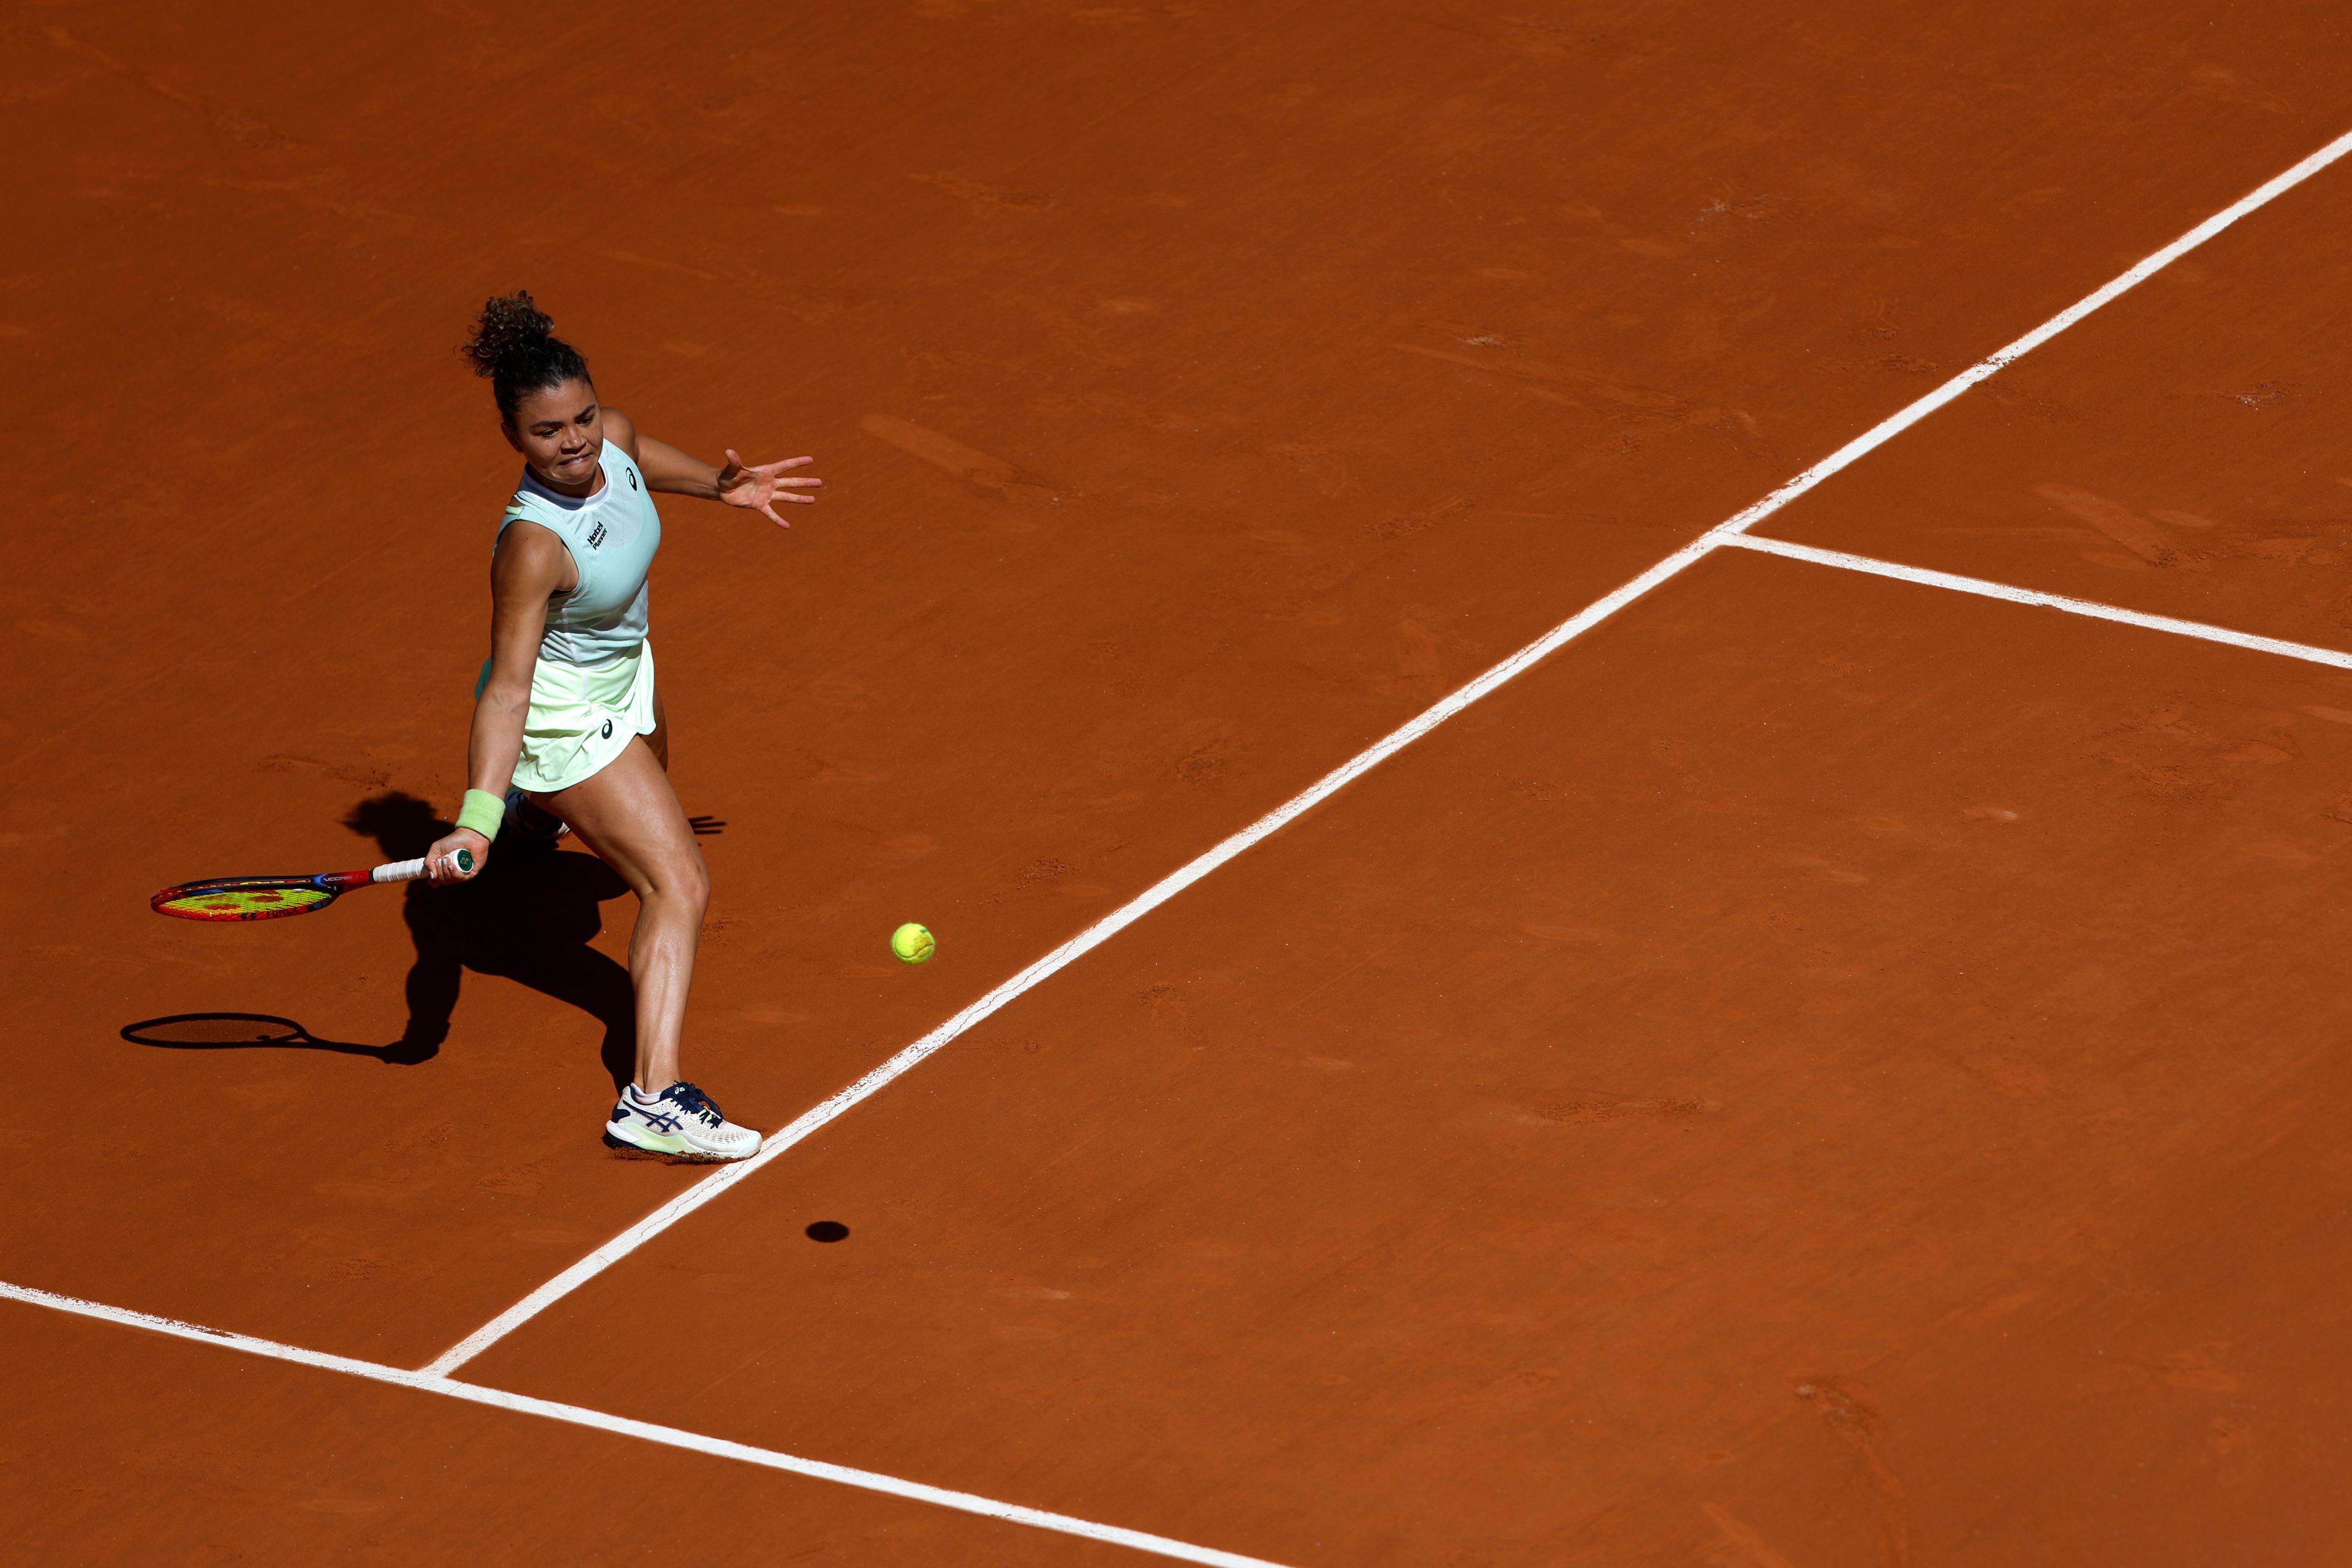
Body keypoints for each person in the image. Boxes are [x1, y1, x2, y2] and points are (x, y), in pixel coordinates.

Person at [424, 291, 819, 1161]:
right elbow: (508, 690)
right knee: (677, 882)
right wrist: (476, 815)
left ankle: (540, 816)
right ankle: (652, 1098)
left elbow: (641, 463)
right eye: (547, 432)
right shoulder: (533, 547)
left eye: (584, 418)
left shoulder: (617, 439)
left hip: (626, 673)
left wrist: (721, 486)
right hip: (563, 712)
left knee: (648, 812)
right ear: (513, 439)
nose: (574, 443)